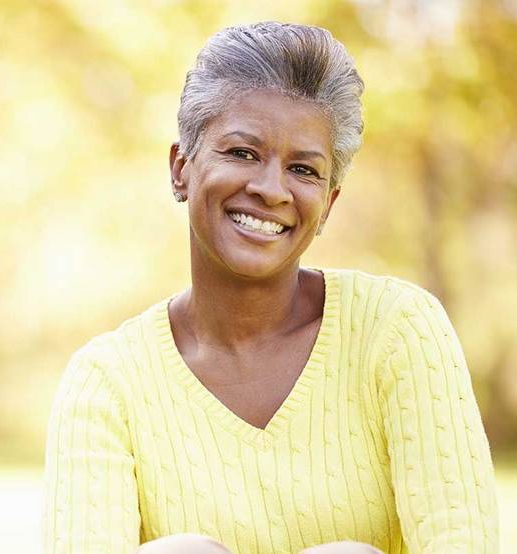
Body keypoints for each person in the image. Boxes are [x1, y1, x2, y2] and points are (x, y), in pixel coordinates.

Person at [41, 21, 499, 554]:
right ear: (181, 169)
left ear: (327, 203)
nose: (270, 189)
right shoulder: (106, 383)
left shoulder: (398, 329)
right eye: (242, 153)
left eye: (303, 169)